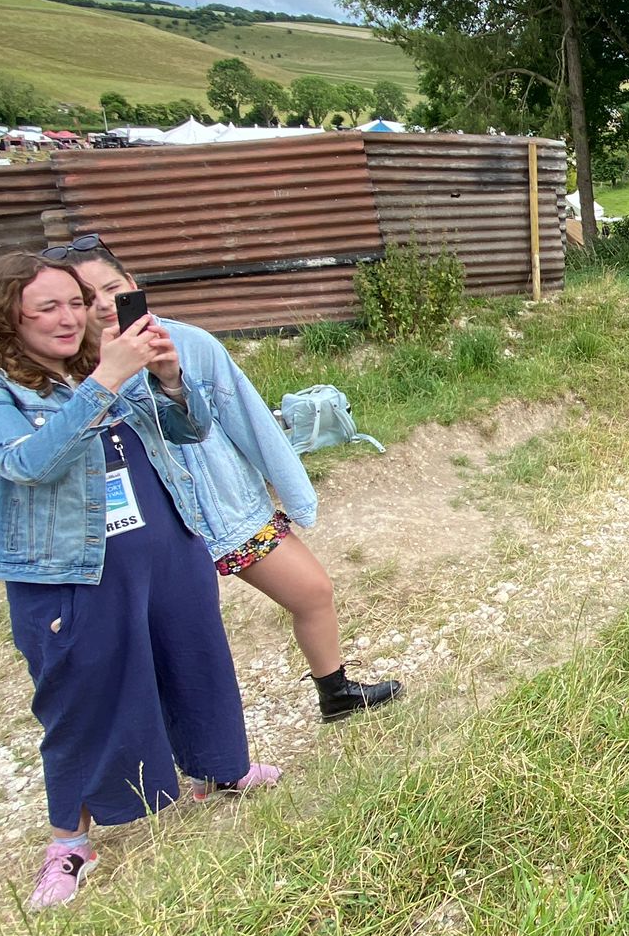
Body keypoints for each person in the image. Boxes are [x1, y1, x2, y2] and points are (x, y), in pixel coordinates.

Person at [0, 254, 279, 911]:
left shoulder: (101, 352)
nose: (72, 317)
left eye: (77, 302)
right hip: (73, 566)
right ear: (4, 313)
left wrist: (171, 378)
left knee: (195, 661)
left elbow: (190, 429)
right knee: (82, 693)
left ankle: (221, 769)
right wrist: (105, 380)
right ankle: (70, 843)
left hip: (165, 540)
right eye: (49, 308)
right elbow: (30, 466)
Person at [51, 237, 400, 723]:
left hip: (225, 511)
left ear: (132, 285)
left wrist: (295, 495)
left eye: (112, 288)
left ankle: (335, 692)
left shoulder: (188, 343)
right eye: (85, 299)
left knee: (313, 591)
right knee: (176, 644)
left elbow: (247, 417)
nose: (104, 305)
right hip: (147, 533)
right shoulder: (60, 370)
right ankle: (178, 749)